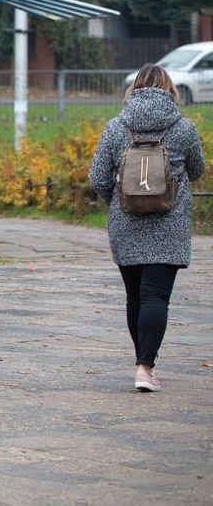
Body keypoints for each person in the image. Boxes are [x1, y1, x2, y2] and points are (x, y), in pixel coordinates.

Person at [88, 63, 205, 392]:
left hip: (125, 222)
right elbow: (197, 171)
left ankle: (143, 363)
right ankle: (145, 367)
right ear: (170, 89)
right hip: (169, 222)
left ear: (133, 89)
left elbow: (97, 178)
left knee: (136, 297)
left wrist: (117, 200)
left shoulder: (116, 127)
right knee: (156, 297)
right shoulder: (183, 127)